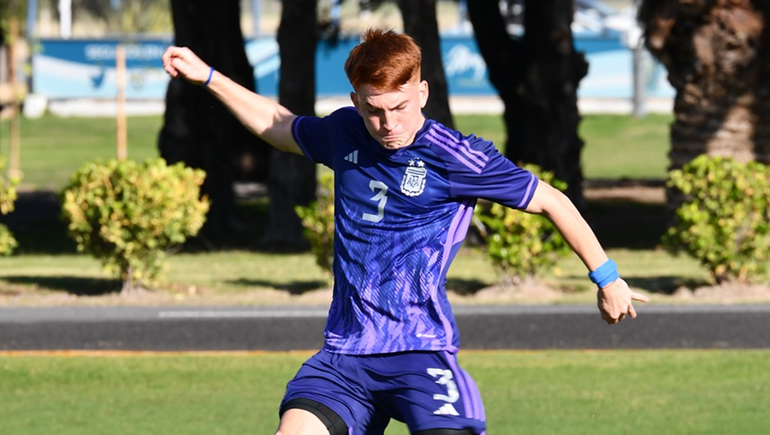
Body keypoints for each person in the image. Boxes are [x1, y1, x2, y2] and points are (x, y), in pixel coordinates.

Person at [162, 28, 649, 435]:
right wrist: (207, 77)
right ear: (356, 99)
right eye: (374, 109)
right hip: (343, 357)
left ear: (422, 92)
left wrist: (607, 278)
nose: (388, 123)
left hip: (419, 351)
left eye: (399, 106)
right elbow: (278, 125)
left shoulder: (457, 156)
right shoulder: (346, 132)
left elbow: (552, 201)